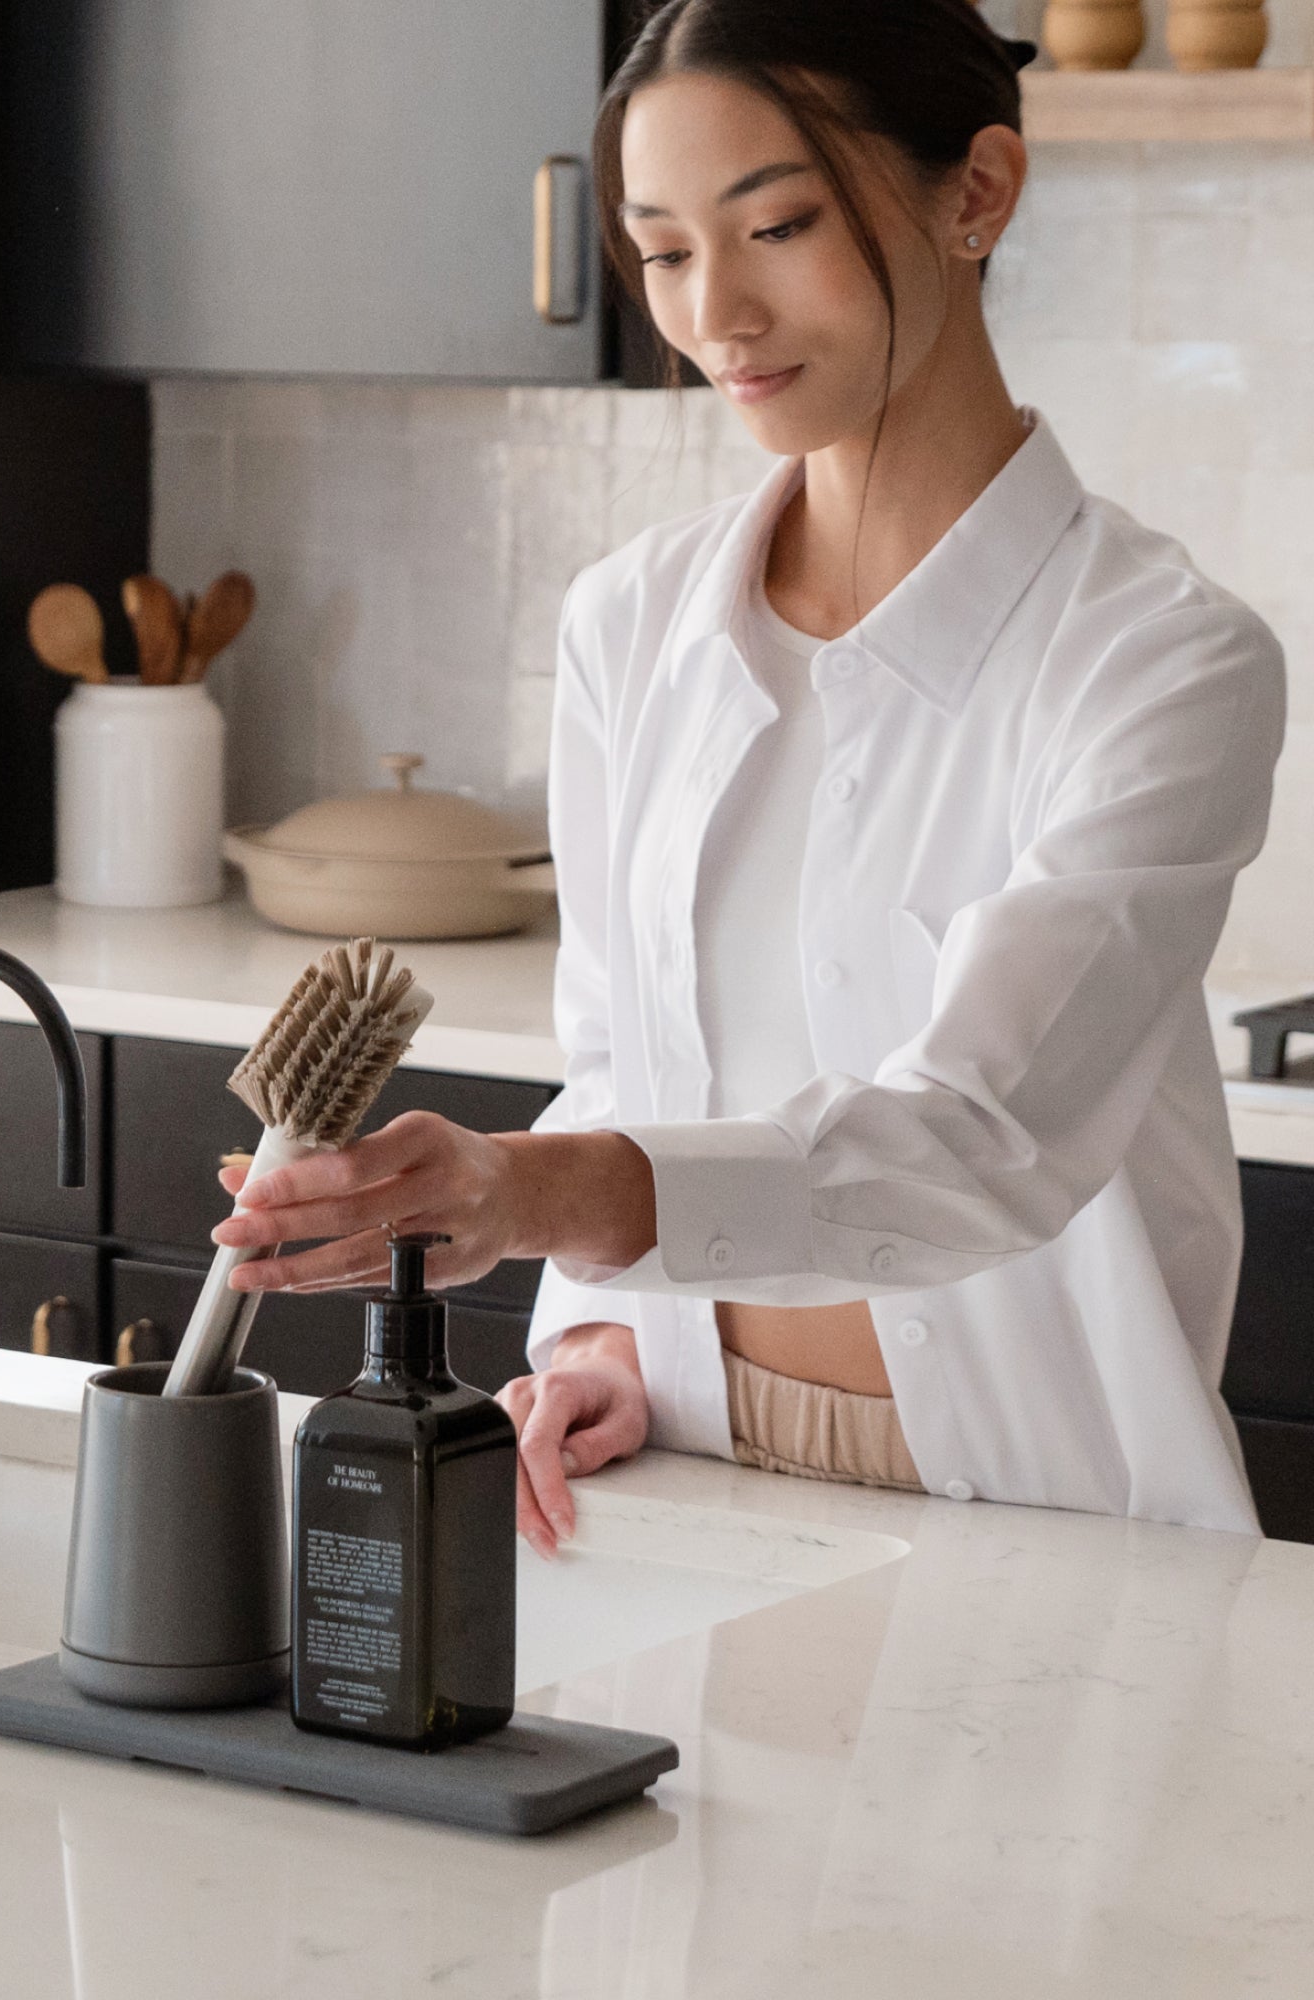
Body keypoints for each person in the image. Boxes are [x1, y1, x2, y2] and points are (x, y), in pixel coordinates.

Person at [213, 0, 1286, 1548]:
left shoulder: (1162, 659)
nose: (716, 311)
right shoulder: (630, 624)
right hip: (679, 1487)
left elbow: (977, 1140)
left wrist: (520, 1193)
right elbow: (618, 1058)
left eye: (776, 224)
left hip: (1048, 1518)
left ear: (977, 192)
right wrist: (593, 1338)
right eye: (661, 250)